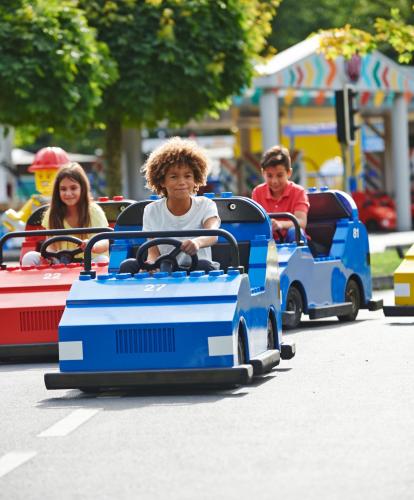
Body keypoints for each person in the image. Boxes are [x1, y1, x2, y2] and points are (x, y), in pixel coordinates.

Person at [120, 137, 220, 274]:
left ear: (196, 178)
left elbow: (213, 234)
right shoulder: (151, 210)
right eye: (174, 177)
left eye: (188, 176)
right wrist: (151, 264)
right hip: (166, 268)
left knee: (205, 265)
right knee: (128, 266)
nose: (182, 182)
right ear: (162, 181)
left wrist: (197, 242)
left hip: (197, 270)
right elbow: (153, 252)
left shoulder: (206, 205)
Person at [21, 162, 109, 266]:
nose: (68, 193)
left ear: (82, 188)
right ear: (57, 191)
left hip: (88, 264)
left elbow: (104, 241)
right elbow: (50, 245)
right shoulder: (51, 213)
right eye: (63, 189)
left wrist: (92, 245)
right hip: (60, 263)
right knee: (29, 257)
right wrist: (49, 257)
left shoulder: (94, 211)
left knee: (102, 260)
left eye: (73, 188)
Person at [252, 145, 309, 242]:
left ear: (289, 173)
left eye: (279, 175)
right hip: (268, 242)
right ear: (263, 173)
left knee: (294, 231)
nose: (274, 181)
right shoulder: (257, 192)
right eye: (269, 176)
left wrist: (280, 224)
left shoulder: (298, 192)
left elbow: (301, 222)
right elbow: (254, 222)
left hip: (292, 241)